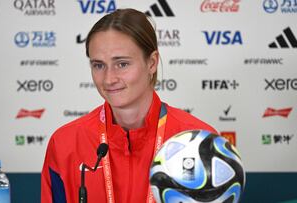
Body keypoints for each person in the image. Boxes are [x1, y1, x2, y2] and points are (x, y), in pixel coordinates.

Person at [41, 8, 216, 203]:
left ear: (151, 63)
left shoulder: (199, 142)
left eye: (122, 64)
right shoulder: (65, 143)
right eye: (98, 65)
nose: (108, 79)